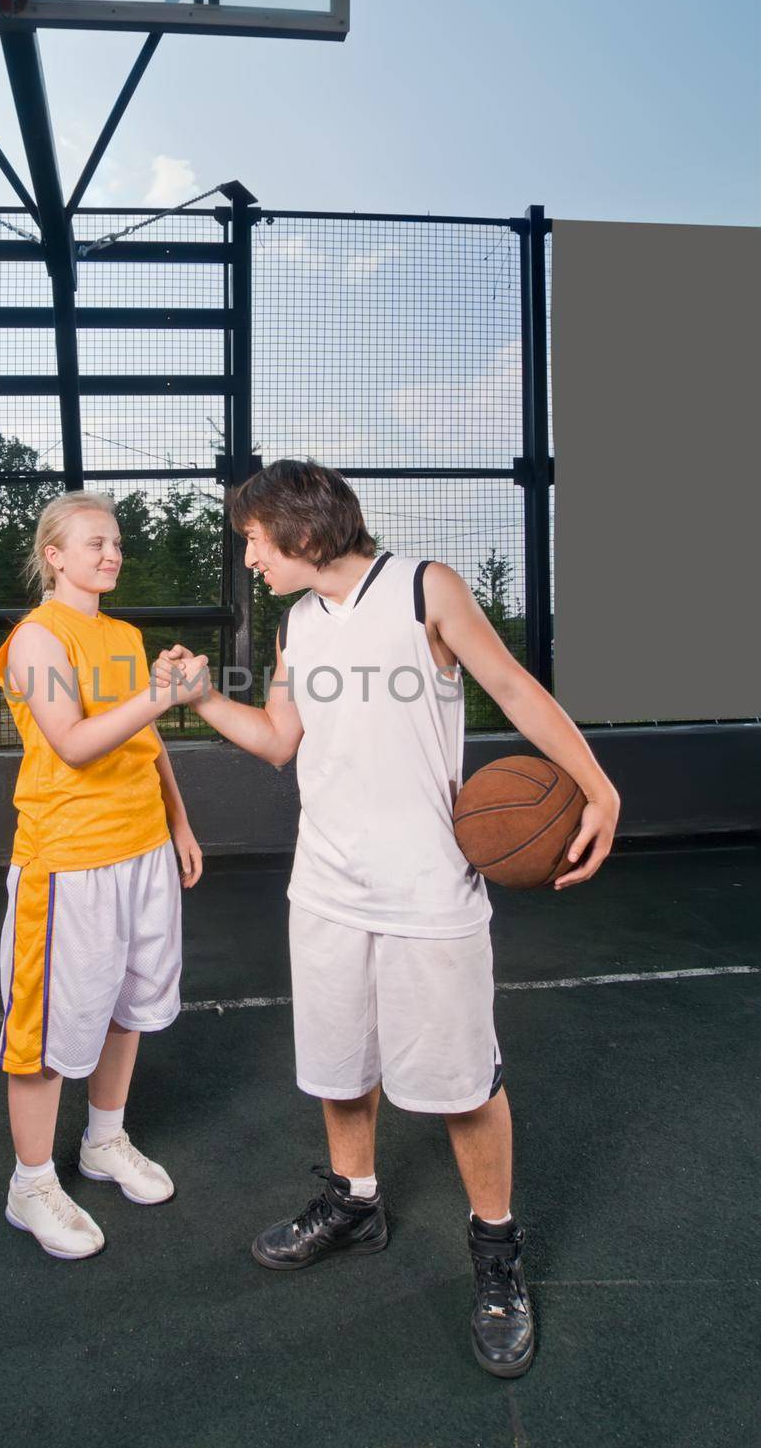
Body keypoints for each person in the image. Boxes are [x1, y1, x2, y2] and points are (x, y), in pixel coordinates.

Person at [156, 459, 621, 1376]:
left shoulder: (424, 588)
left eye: (251, 539)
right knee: (339, 1062)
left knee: (460, 1084)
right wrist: (205, 701)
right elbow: (281, 743)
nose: (246, 557)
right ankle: (354, 1201)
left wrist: (598, 785)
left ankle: (495, 1254)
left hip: (427, 890)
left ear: (295, 528)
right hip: (326, 886)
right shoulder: (294, 624)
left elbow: (517, 690)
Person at [0, 491, 203, 1261]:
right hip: (68, 862)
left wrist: (176, 819)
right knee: (47, 1035)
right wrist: (161, 693)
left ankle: (103, 1142)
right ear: (53, 555)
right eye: (92, 543)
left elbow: (145, 738)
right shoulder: (35, 641)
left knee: (126, 1007)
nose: (110, 553)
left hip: (140, 849)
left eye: (115, 542)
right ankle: (31, 1183)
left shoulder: (121, 633)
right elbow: (74, 742)